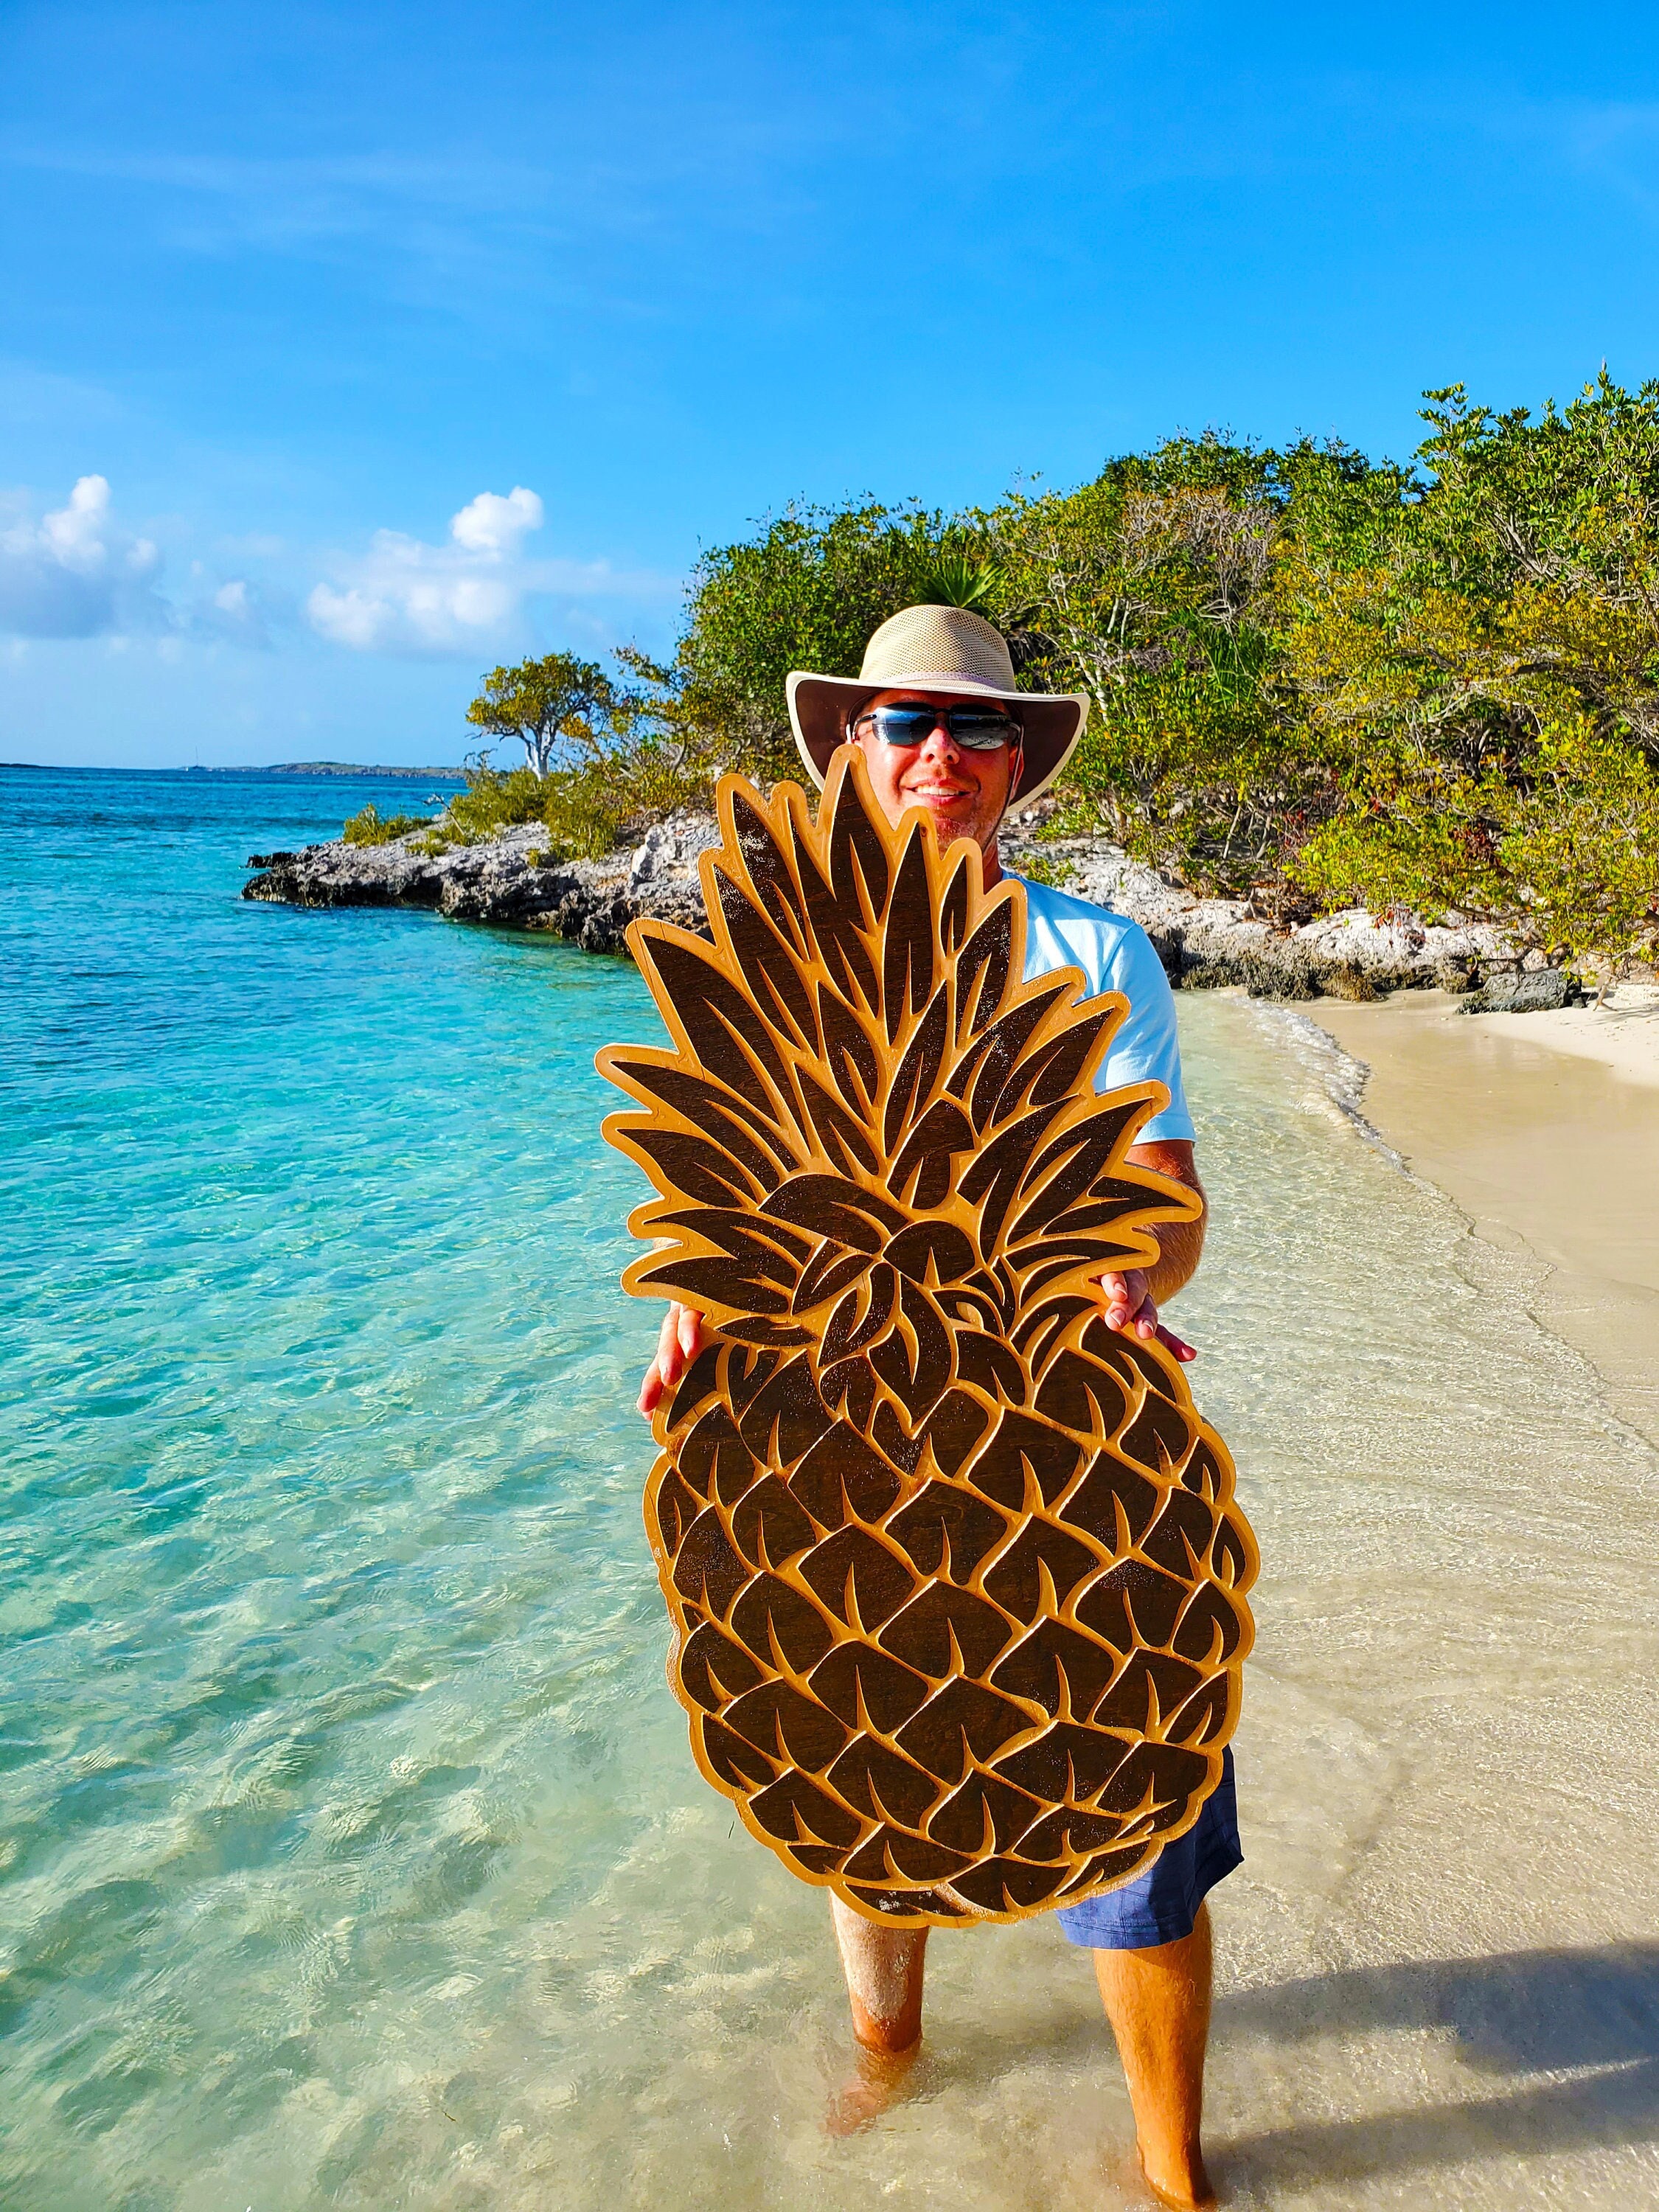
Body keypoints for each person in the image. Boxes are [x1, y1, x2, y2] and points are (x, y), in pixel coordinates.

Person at [637, 605, 1239, 2211]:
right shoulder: (774, 945)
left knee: (1134, 1816)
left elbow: (1170, 1200)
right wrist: (703, 1302)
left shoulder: (1093, 955)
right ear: (853, 745)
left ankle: (1173, 2170)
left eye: (978, 729)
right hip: (825, 1405)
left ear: (1016, 765)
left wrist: (1132, 1272)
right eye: (905, 722)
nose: (940, 755)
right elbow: (728, 1185)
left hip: (1056, 1408)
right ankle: (889, 2062)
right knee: (856, 1746)